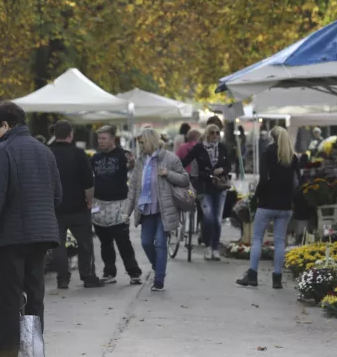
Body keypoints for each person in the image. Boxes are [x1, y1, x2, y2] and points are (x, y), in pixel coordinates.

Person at [0, 101, 61, 357]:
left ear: (5, 125)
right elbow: (57, 195)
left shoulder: (3, 151)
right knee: (35, 298)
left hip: (10, 239)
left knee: (8, 301)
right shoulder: (44, 150)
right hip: (41, 236)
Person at [122, 128, 190, 292]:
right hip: (146, 210)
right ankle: (158, 266)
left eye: (142, 143)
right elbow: (133, 190)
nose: (140, 146)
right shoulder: (141, 161)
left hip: (164, 210)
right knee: (146, 242)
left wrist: (168, 174)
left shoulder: (170, 158)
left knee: (160, 243)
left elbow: (185, 179)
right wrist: (126, 212)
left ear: (151, 141)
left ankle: (159, 279)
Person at [238, 126, 298, 289]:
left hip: (267, 202)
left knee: (257, 239)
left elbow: (264, 179)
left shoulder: (268, 153)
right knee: (279, 241)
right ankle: (277, 278)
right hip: (285, 205)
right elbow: (296, 182)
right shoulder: (292, 156)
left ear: (271, 137)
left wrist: (256, 197)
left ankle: (252, 275)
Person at [48, 120, 101, 289]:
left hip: (54, 208)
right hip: (78, 207)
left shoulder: (47, 153)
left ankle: (62, 278)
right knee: (85, 243)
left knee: (58, 245)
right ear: (71, 134)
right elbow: (88, 182)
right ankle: (88, 276)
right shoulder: (79, 154)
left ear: (54, 135)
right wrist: (89, 202)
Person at [90, 125, 142, 285]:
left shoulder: (123, 155)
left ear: (112, 139)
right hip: (99, 205)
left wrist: (131, 164)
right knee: (105, 242)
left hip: (119, 204)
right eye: (99, 139)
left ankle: (134, 272)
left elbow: (131, 167)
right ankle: (109, 272)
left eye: (104, 138)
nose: (100, 142)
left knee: (122, 240)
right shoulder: (95, 158)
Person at [181, 124, 232, 261]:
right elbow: (186, 161)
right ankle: (208, 246)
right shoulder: (199, 148)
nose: (215, 135)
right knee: (209, 218)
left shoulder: (222, 147)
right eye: (212, 133)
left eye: (217, 133)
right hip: (204, 187)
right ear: (207, 134)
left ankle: (215, 248)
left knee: (217, 220)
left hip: (220, 187)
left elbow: (229, 165)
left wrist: (222, 170)